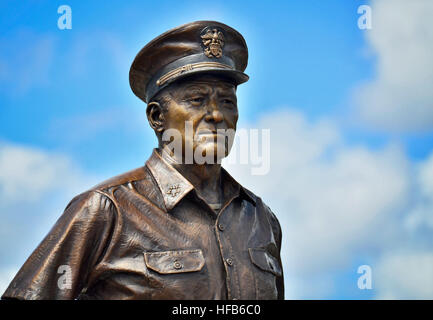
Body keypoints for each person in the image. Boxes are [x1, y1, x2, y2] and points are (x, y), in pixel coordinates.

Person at [2, 20, 284, 300]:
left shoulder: (260, 219)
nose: (216, 115)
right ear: (157, 117)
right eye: (197, 100)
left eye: (227, 102)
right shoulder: (106, 209)